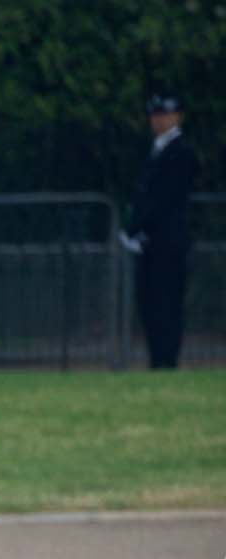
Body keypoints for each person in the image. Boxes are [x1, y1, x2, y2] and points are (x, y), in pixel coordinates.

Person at [125, 93, 198, 370]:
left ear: (177, 117)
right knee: (151, 304)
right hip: (150, 242)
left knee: (167, 303)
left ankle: (166, 360)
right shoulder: (155, 150)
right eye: (155, 116)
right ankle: (157, 360)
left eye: (164, 115)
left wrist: (138, 225)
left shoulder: (182, 152)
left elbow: (165, 198)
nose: (158, 121)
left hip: (169, 241)